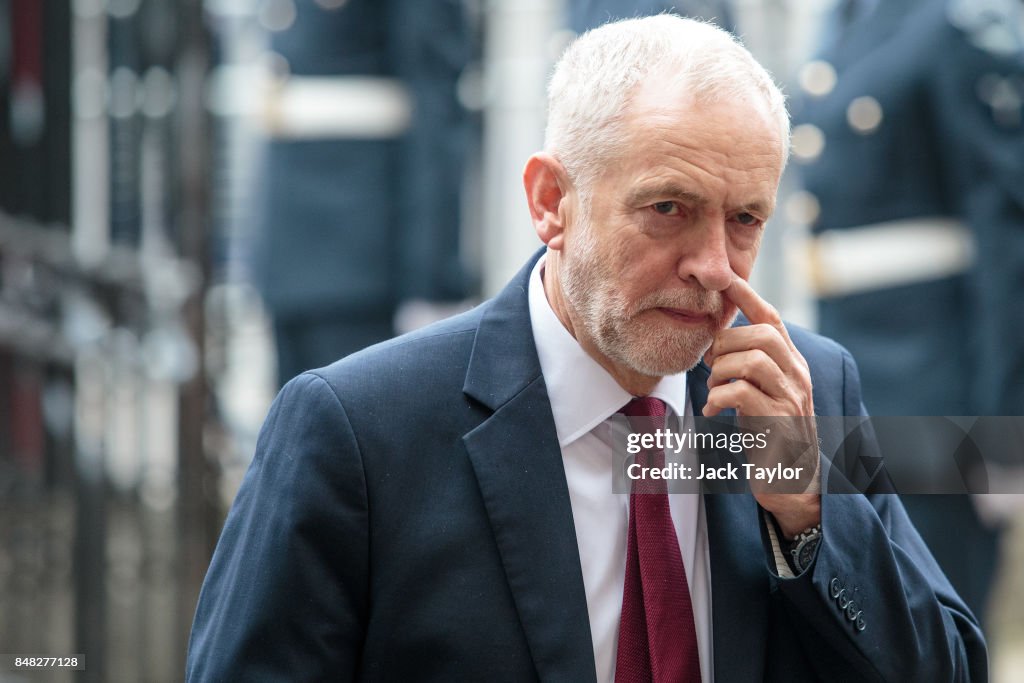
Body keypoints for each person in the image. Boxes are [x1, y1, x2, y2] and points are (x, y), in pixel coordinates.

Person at [187, 15, 986, 681]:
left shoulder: (804, 390)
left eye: (745, 220)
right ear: (550, 202)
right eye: (669, 208)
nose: (713, 265)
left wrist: (810, 519)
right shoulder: (358, 429)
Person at [791, 0, 1024, 623]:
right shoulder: (845, 26)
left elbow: (1007, 238)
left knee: (940, 635)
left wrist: (1004, 424)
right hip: (851, 379)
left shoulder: (955, 28)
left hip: (938, 392)